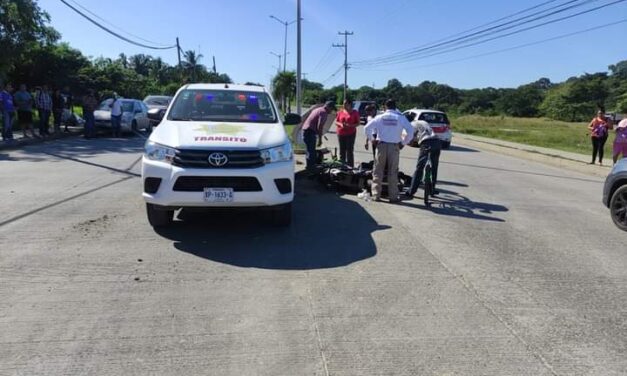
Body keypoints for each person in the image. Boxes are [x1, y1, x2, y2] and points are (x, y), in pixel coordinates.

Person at [364, 99, 414, 203]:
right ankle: (393, 197)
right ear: (395, 107)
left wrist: (372, 140)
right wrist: (403, 143)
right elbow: (411, 131)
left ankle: (376, 195)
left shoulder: (380, 117)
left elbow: (366, 128)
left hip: (381, 145)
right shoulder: (400, 117)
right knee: (393, 172)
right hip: (394, 147)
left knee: (378, 171)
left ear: (385, 107)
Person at [404, 119, 443, 199]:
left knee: (419, 168)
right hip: (437, 142)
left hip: (426, 143)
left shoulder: (411, 125)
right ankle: (432, 189)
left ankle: (411, 191)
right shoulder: (424, 122)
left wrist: (408, 143)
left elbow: (411, 139)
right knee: (434, 167)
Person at [301, 101, 336, 173]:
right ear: (328, 107)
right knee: (312, 152)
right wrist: (320, 139)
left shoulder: (318, 109)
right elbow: (320, 126)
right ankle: (311, 169)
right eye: (331, 109)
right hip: (310, 132)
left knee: (309, 150)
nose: (331, 111)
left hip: (305, 130)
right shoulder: (323, 112)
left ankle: (309, 167)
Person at [335, 98, 360, 167]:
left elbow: (358, 123)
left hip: (351, 133)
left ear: (350, 104)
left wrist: (350, 125)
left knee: (349, 150)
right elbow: (336, 121)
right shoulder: (340, 112)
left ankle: (350, 166)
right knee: (342, 150)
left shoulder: (355, 112)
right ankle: (342, 165)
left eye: (345, 103)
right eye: (343, 103)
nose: (344, 105)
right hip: (341, 133)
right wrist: (341, 124)